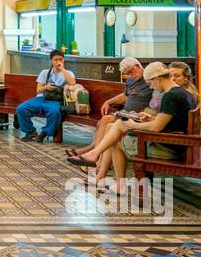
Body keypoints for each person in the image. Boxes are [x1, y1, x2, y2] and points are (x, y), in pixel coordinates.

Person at [81, 62, 193, 193]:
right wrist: (148, 117)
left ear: (158, 79)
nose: (151, 87)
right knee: (114, 127)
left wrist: (132, 125)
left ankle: (114, 179)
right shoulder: (182, 92)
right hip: (175, 143)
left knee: (116, 141)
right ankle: (98, 163)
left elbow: (156, 128)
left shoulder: (171, 96)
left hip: (168, 149)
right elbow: (170, 121)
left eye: (150, 83)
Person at [14, 51, 74, 142]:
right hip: (41, 98)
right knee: (21, 108)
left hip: (56, 100)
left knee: (54, 111)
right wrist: (46, 87)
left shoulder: (68, 73)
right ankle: (30, 132)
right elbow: (38, 90)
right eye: (56, 60)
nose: (58, 62)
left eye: (60, 59)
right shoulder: (45, 72)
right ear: (51, 61)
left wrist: (62, 70)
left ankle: (44, 133)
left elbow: (72, 83)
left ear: (64, 60)